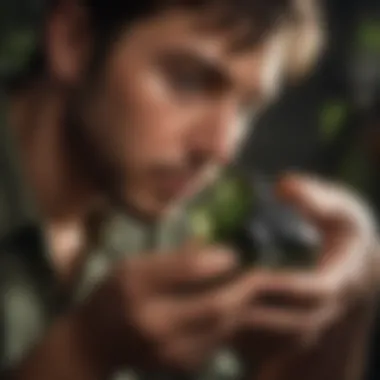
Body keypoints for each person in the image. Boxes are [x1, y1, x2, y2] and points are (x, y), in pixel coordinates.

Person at [0, 0, 378, 379]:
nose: (222, 148)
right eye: (188, 82)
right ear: (73, 41)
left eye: (248, 107)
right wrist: (82, 353)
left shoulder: (182, 226)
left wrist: (352, 303)